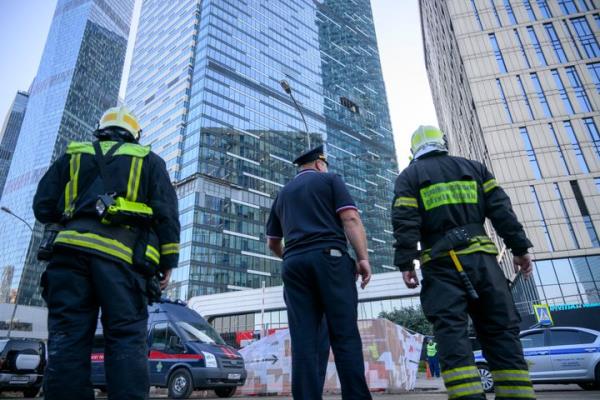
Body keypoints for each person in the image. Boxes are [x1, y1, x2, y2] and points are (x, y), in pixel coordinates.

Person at [33, 106, 180, 400]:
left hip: (69, 258)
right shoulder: (148, 160)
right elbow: (166, 216)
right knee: (125, 339)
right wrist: (168, 262)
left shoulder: (73, 155)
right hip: (123, 264)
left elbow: (42, 205)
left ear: (100, 130)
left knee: (67, 339)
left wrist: (74, 214)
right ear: (134, 135)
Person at [391, 126, 535, 400]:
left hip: (441, 265)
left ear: (413, 151)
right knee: (501, 329)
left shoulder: (409, 177)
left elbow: (404, 222)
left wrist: (406, 263)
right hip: (483, 263)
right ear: (442, 143)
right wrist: (519, 248)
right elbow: (502, 211)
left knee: (451, 332)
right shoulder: (475, 168)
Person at [266, 145, 372, 400]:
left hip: (293, 266)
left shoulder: (282, 195)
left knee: (304, 340)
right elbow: (350, 219)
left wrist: (294, 257)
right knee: (344, 334)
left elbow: (272, 242)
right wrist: (362, 259)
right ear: (319, 164)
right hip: (330, 260)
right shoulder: (330, 181)